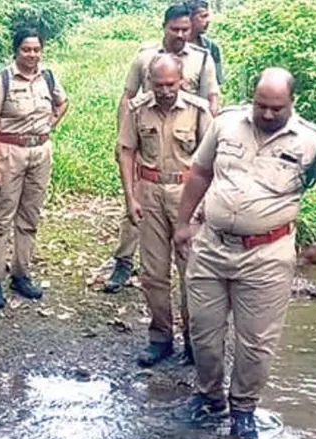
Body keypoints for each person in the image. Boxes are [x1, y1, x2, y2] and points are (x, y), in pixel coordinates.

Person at [174, 67, 316, 439]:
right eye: (261, 105)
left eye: (275, 108)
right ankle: (209, 397)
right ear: (252, 97)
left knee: (256, 343)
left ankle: (243, 409)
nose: (266, 114)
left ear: (292, 103)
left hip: (267, 255)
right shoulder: (227, 123)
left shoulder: (315, 142)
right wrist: (183, 224)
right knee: (204, 333)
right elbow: (200, 172)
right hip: (211, 246)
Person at [103, 2, 220, 294]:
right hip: (149, 133)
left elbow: (212, 97)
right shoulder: (145, 57)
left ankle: (194, 327)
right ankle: (124, 261)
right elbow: (128, 96)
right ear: (164, 28)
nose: (181, 34)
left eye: (185, 29)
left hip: (186, 141)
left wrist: (210, 131)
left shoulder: (202, 59)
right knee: (137, 206)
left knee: (188, 246)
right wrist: (123, 139)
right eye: (175, 29)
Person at [118, 54, 212, 368]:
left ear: (182, 80)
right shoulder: (138, 109)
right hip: (150, 193)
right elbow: (127, 152)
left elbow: (212, 162)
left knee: (192, 272)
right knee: (153, 273)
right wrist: (130, 197)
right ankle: (160, 339)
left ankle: (193, 341)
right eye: (159, 85)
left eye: (171, 84)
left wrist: (205, 205)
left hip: (188, 195)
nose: (165, 91)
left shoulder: (199, 111)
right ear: (150, 83)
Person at [0, 27, 69, 309]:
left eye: (36, 49)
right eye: (26, 49)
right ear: (16, 51)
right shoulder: (1, 80)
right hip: (9, 152)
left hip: (40, 152)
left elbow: (63, 102)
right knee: (0, 218)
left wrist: (49, 125)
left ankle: (21, 274)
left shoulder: (48, 76)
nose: (32, 55)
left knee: (30, 216)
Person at [187, 0, 224, 87]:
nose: (208, 21)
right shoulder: (176, 45)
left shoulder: (212, 48)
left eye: (208, 16)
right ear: (190, 18)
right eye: (203, 16)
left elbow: (216, 84)